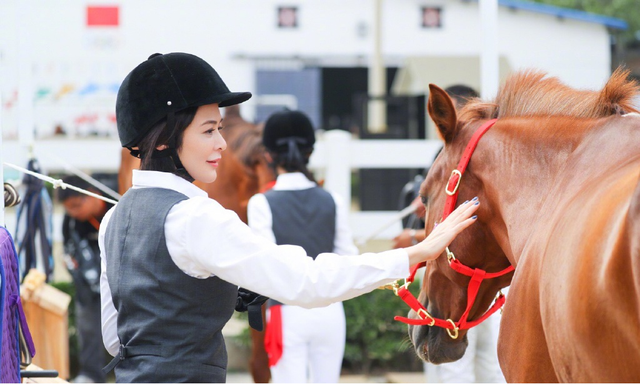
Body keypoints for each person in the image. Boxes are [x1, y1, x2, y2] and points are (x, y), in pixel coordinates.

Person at [98, 52, 480, 383]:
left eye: (220, 128)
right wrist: (419, 252)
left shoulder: (113, 219)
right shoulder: (196, 217)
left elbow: (115, 339)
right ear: (164, 140)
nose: (222, 143)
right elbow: (308, 282)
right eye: (209, 130)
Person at [247, 110, 353, 382]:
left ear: (268, 154)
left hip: (286, 310)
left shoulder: (261, 203)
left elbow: (266, 267)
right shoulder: (333, 200)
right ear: (310, 152)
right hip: (330, 310)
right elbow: (347, 258)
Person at [59, 175, 111, 383]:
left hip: (119, 280)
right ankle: (91, 374)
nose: (72, 212)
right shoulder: (71, 220)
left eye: (76, 205)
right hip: (87, 284)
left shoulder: (116, 206)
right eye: (67, 208)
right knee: (87, 327)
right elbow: (67, 250)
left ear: (93, 195)